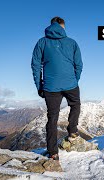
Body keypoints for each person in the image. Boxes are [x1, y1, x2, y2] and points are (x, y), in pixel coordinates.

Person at [31, 17, 83, 160]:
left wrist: (39, 85)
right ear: (62, 26)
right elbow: (79, 65)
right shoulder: (72, 43)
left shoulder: (42, 42)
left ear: (51, 25)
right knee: (75, 104)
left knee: (52, 117)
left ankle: (53, 152)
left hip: (50, 86)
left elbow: (36, 66)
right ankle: (72, 130)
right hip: (70, 84)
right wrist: (74, 80)